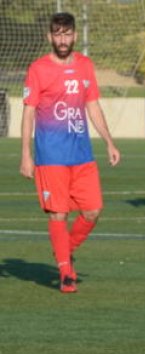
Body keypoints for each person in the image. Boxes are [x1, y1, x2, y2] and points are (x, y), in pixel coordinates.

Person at [18, 11, 121, 294]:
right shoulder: (38, 69)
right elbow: (28, 113)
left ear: (75, 35)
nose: (62, 40)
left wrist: (109, 142)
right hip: (51, 156)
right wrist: (26, 154)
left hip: (82, 154)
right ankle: (65, 273)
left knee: (93, 210)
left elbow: (93, 106)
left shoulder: (85, 66)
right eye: (57, 34)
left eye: (67, 34)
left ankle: (64, 249)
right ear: (49, 36)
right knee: (58, 215)